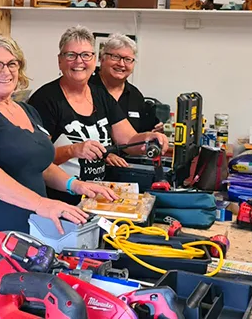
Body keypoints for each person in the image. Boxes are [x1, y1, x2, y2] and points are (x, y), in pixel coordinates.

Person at [0, 33, 118, 252]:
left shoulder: (27, 111)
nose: (6, 71)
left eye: (11, 64)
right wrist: (41, 204)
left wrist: (75, 185)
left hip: (27, 237)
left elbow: (41, 166)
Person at [28, 26, 169, 205]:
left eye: (86, 55)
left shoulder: (100, 95)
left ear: (94, 59)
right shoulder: (45, 99)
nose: (79, 61)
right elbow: (37, 159)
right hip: (60, 201)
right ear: (60, 61)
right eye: (71, 55)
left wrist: (149, 138)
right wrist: (73, 150)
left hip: (95, 199)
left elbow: (128, 140)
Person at [90, 33, 164, 168]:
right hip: (88, 165)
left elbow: (138, 136)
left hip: (126, 167)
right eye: (115, 57)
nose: (121, 64)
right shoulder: (86, 88)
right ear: (102, 58)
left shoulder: (135, 96)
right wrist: (104, 154)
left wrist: (157, 133)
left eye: (128, 59)